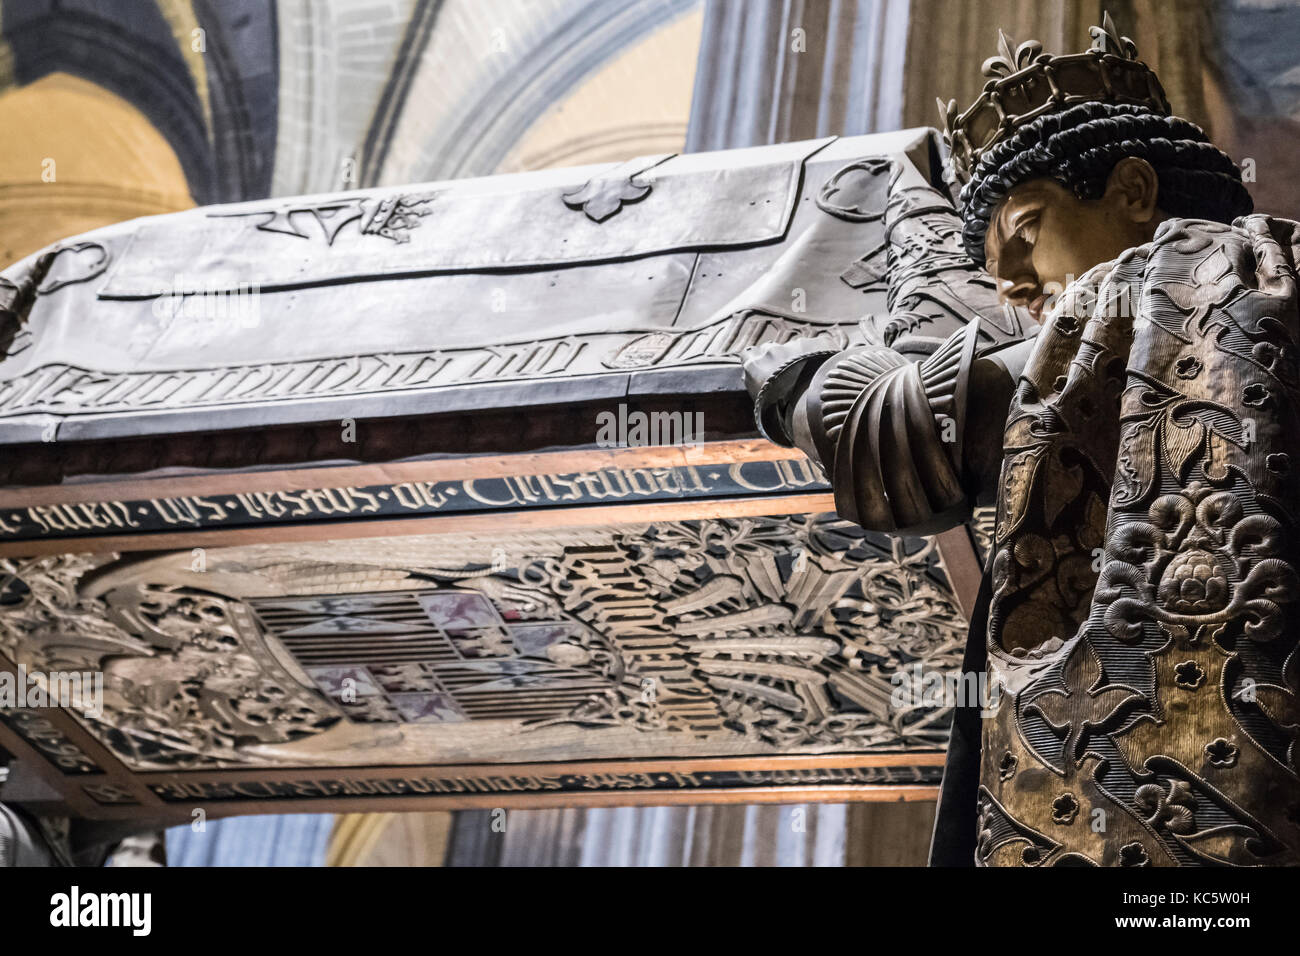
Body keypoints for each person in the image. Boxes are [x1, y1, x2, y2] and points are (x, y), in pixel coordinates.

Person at [744, 13, 1300, 866]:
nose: (1007, 283)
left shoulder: (1162, 289)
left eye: (1027, 231)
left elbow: (886, 434)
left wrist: (789, 377)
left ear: (1134, 191)